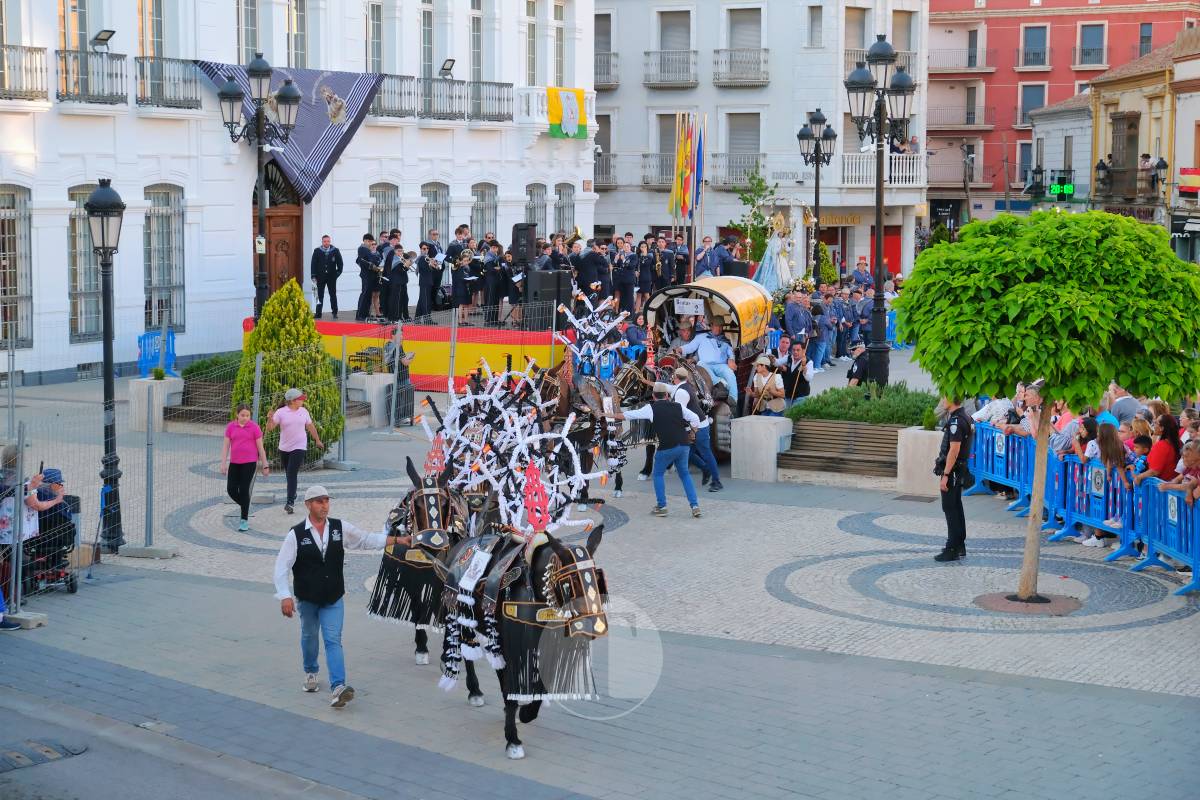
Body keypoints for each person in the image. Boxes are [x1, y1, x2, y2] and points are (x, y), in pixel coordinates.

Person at [273, 485, 406, 707]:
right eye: (319, 501)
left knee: (333, 640)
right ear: (308, 505)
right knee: (309, 637)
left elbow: (365, 539)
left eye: (326, 500)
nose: (324, 505)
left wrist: (397, 540)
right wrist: (285, 596)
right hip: (307, 598)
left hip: (333, 597)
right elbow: (281, 567)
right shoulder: (295, 534)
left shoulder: (339, 527)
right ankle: (311, 671)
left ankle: (338, 687)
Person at [606, 383, 702, 518]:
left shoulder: (650, 408)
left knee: (657, 474)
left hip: (666, 448)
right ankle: (695, 506)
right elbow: (695, 419)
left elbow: (627, 415)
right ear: (667, 396)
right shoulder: (678, 406)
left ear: (653, 396)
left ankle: (662, 506)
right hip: (683, 445)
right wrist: (693, 432)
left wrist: (606, 413)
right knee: (685, 475)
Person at [265, 388, 325, 514]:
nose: (303, 400)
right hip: (284, 448)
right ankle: (293, 493)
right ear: (292, 401)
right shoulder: (281, 412)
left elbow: (310, 426)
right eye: (300, 399)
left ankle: (290, 502)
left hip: (299, 446)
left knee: (292, 473)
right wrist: (270, 418)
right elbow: (270, 428)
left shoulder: (304, 411)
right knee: (289, 474)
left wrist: (317, 440)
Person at [934, 396, 973, 562]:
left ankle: (952, 548)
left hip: (954, 470)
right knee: (956, 506)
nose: (942, 399)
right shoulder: (964, 416)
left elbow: (954, 450)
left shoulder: (957, 420)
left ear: (951, 398)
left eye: (945, 396)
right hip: (959, 469)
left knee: (950, 507)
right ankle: (959, 544)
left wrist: (946, 475)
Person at [671, 367, 722, 492]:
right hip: (696, 426)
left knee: (706, 454)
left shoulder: (681, 392)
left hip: (698, 428)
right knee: (687, 453)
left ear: (676, 378)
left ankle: (717, 482)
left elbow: (680, 412)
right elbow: (666, 388)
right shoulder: (685, 386)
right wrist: (648, 382)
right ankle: (705, 469)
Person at [221, 404, 269, 532]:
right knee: (231, 489)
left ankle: (244, 520)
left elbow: (260, 448)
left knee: (243, 489)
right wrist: (223, 464)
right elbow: (226, 446)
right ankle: (246, 505)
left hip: (249, 463)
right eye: (242, 415)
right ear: (237, 415)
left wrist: (265, 465)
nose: (245, 418)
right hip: (234, 463)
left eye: (247, 415)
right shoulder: (231, 427)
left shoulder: (254, 427)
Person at [680, 318, 738, 405]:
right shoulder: (701, 337)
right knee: (699, 364)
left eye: (720, 326)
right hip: (705, 364)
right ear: (711, 326)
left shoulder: (725, 341)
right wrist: (679, 349)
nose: (718, 329)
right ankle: (719, 381)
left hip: (721, 365)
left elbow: (731, 353)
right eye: (716, 326)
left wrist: (731, 360)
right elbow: (690, 347)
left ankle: (733, 398)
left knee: (730, 373)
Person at [310, 235, 344, 319]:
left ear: (330, 241)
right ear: (322, 242)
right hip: (320, 277)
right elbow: (313, 264)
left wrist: (337, 273)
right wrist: (313, 276)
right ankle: (318, 313)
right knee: (319, 295)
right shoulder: (317, 251)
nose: (326, 243)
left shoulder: (335, 250)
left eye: (328, 241)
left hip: (331, 277)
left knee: (333, 295)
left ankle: (335, 312)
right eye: (325, 241)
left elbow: (340, 263)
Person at [354, 233, 380, 321]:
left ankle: (365, 314)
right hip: (366, 275)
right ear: (364, 240)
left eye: (371, 242)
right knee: (365, 295)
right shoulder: (363, 249)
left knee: (368, 296)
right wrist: (374, 261)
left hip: (370, 275)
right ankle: (360, 315)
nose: (370, 243)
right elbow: (370, 259)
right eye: (369, 241)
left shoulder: (366, 249)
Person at [780, 340, 814, 409]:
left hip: (801, 396)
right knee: (786, 415)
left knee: (793, 415)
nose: (795, 352)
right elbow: (777, 363)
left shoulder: (809, 362)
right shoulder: (789, 358)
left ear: (803, 351)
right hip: (789, 395)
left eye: (798, 350)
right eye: (794, 350)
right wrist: (773, 360)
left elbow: (809, 378)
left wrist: (804, 366)